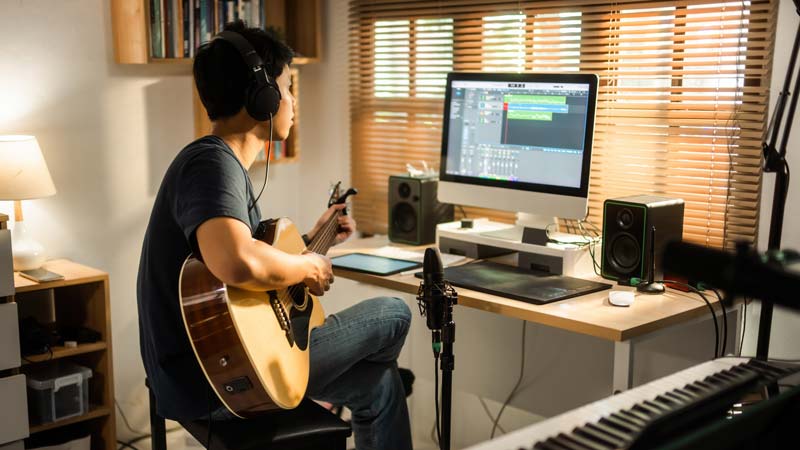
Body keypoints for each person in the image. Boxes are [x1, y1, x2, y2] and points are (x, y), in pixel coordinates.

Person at [136, 20, 413, 450]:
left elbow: (235, 276)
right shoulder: (210, 163)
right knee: (395, 313)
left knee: (380, 383)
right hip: (216, 376)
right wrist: (305, 266)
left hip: (216, 365)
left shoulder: (217, 167)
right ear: (261, 97)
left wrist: (313, 240)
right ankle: (296, 381)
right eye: (287, 86)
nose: (293, 100)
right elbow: (236, 262)